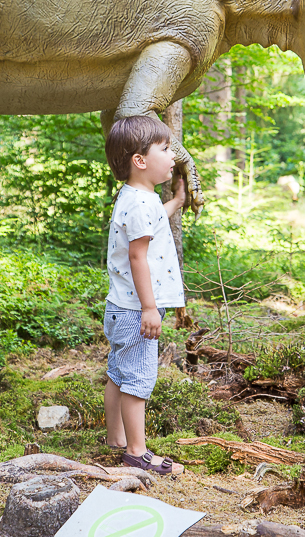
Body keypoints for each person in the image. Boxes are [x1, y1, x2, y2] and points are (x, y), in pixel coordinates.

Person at [103, 115, 186, 475]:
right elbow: (138, 255)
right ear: (140, 160)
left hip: (122, 307)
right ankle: (137, 453)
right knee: (137, 378)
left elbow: (153, 221)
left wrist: (177, 202)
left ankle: (115, 438)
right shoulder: (139, 203)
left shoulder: (139, 197)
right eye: (165, 149)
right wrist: (150, 308)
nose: (172, 156)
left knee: (118, 373)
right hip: (137, 310)